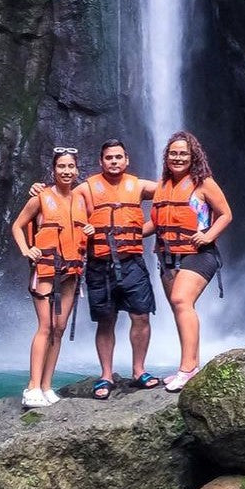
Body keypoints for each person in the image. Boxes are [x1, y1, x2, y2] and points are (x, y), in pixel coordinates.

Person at [73, 140, 162, 400]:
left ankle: (139, 371)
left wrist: (144, 230)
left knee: (141, 316)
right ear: (101, 161)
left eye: (118, 157)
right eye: (109, 158)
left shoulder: (140, 186)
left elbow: (174, 193)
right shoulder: (86, 189)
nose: (114, 162)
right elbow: (61, 197)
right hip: (100, 264)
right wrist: (37, 191)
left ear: (127, 160)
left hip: (132, 261)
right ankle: (106, 375)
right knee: (106, 320)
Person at [149, 131, 232, 392]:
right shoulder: (162, 184)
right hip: (168, 255)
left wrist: (207, 236)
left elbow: (225, 214)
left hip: (199, 253)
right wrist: (128, 234)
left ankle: (187, 370)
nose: (178, 157)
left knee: (181, 300)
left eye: (183, 153)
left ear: (193, 155)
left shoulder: (203, 183)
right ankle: (190, 365)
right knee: (180, 308)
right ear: (167, 156)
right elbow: (156, 220)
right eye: (173, 153)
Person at [11, 148, 91, 409]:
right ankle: (32, 386)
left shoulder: (81, 199)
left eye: (70, 167)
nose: (66, 171)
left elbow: (86, 226)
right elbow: (17, 225)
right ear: (53, 170)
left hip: (71, 272)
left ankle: (47, 385)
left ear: (77, 170)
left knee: (59, 328)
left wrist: (89, 229)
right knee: (45, 327)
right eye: (61, 167)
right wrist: (27, 250)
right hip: (45, 270)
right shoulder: (41, 197)